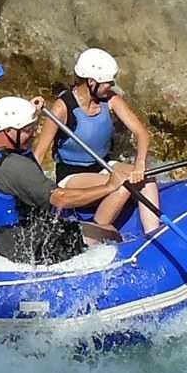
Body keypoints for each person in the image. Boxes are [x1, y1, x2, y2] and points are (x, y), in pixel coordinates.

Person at [0, 95, 138, 264]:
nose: (34, 134)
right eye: (28, 130)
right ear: (8, 130)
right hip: (33, 245)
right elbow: (60, 199)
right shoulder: (16, 167)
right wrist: (109, 186)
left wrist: (29, 110)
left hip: (2, 238)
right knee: (110, 232)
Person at [32, 47, 160, 236]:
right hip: (72, 175)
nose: (111, 86)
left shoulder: (110, 100)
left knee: (147, 179)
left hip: (102, 164)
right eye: (107, 83)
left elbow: (141, 133)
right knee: (123, 184)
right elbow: (39, 154)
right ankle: (98, 229)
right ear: (91, 82)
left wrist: (140, 164)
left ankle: (153, 233)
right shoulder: (62, 108)